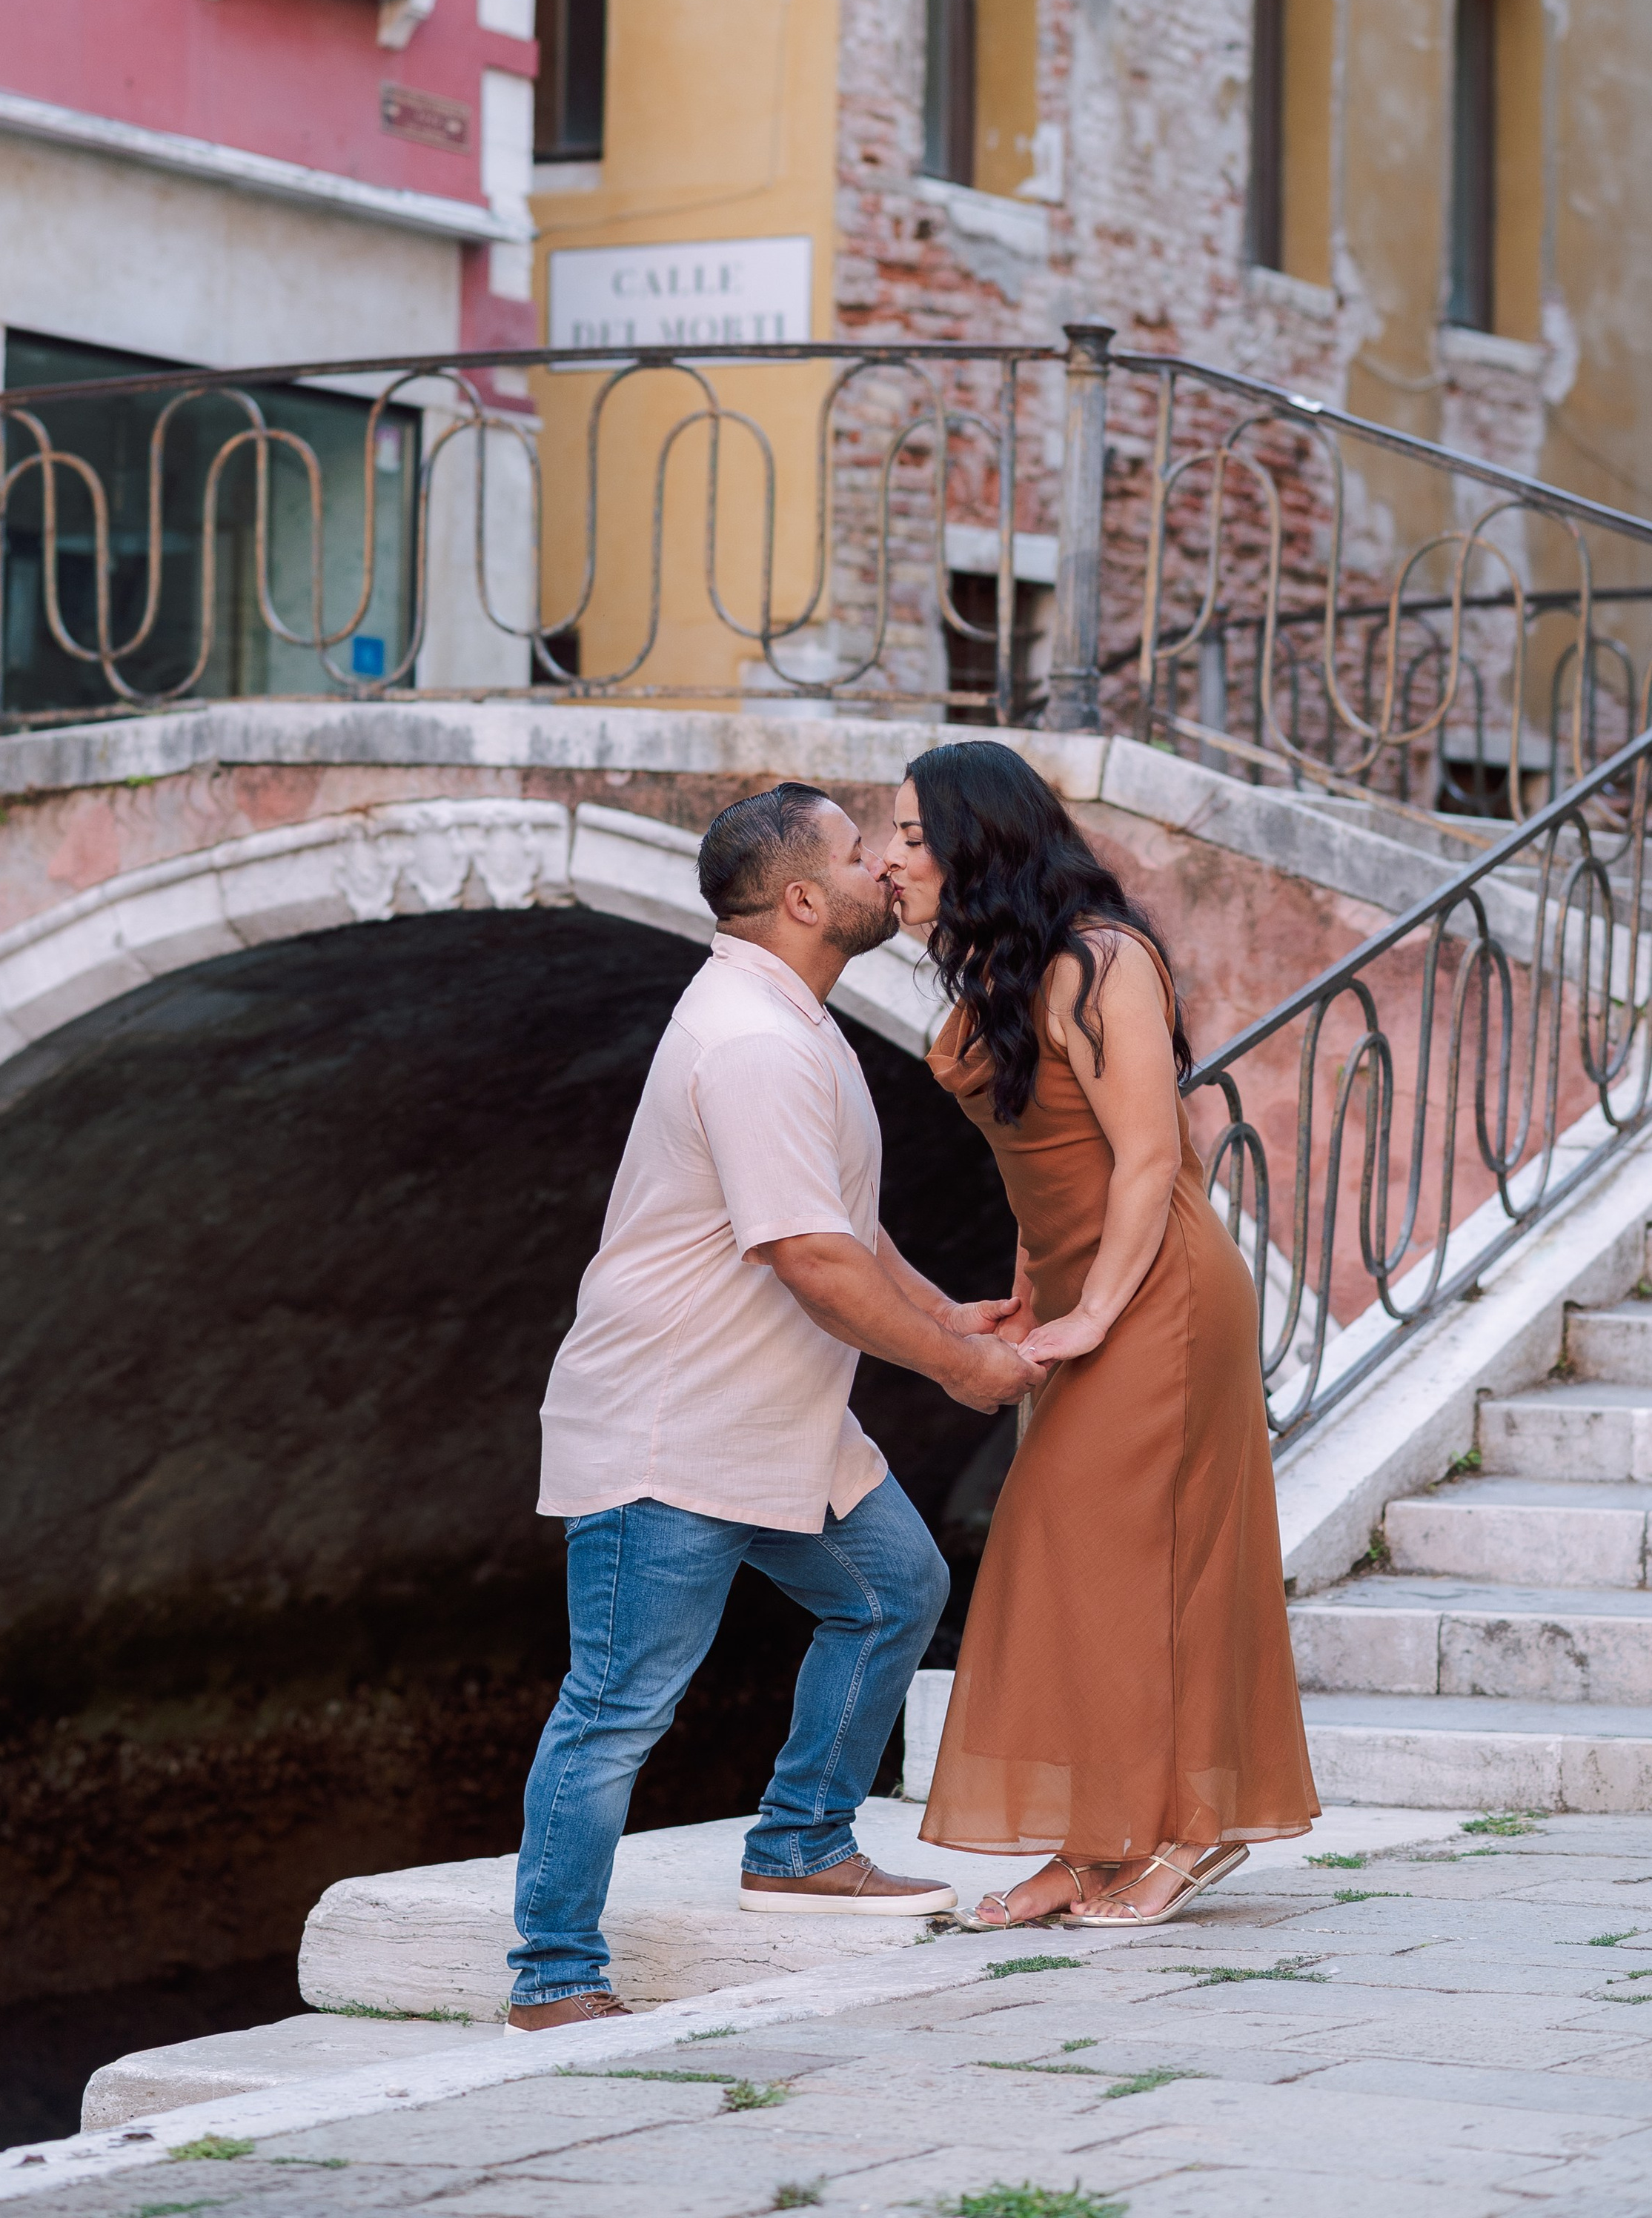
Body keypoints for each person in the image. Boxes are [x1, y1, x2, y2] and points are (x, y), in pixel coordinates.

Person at [508, 781, 1039, 2031]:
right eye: (863, 855)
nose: (887, 870)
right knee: (618, 1707)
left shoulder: (789, 1019)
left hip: (780, 1425)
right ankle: (552, 1977)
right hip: (670, 1425)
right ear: (805, 899)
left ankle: (801, 1841)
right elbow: (807, 1256)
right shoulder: (749, 1038)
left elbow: (845, 1225)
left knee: (896, 1591)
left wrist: (948, 1310)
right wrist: (957, 1371)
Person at [881, 740, 1318, 1930]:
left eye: (913, 836)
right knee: (1068, 1563)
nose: (889, 857)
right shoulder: (995, 984)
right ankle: (1092, 1845)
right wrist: (1033, 1289)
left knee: (1126, 1553)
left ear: (979, 841)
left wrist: (1095, 1310)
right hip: (1089, 1288)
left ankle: (1190, 1832)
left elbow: (1146, 1160)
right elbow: (1042, 1166)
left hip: (1163, 1296)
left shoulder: (1104, 961)